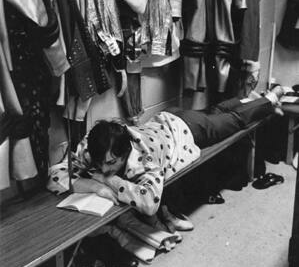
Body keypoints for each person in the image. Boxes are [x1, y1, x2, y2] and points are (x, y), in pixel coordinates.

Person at [48, 86, 284, 216]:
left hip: (187, 130)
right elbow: (55, 173)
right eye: (100, 163)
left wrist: (108, 182)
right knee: (217, 112)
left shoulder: (144, 159)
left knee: (234, 121)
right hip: (168, 119)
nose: (103, 168)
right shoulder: (94, 146)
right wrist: (96, 185)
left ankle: (271, 97)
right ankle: (248, 97)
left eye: (111, 164)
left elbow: (150, 203)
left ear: (125, 153)